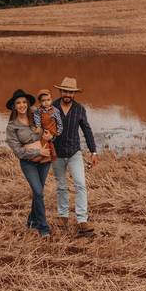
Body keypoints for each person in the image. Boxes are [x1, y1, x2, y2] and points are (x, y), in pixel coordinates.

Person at [52, 77, 98, 236]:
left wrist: (93, 151)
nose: (67, 94)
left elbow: (87, 130)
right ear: (60, 91)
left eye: (70, 92)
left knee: (80, 184)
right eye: (65, 91)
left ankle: (82, 220)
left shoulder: (80, 109)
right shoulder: (52, 107)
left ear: (74, 94)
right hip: (56, 154)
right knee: (61, 186)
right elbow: (42, 128)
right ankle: (63, 216)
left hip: (74, 153)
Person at [4, 89, 54, 238]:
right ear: (14, 106)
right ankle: (43, 228)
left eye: (24, 102)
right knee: (38, 192)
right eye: (18, 103)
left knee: (38, 193)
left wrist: (50, 136)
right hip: (28, 163)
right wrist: (38, 151)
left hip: (45, 161)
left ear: (28, 104)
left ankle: (31, 221)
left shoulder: (37, 116)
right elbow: (19, 152)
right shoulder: (12, 127)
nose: (22, 105)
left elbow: (50, 127)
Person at [30, 88, 63, 163]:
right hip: (44, 128)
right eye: (43, 101)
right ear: (40, 102)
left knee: (46, 140)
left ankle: (47, 157)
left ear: (51, 99)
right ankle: (51, 155)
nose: (46, 102)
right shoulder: (39, 110)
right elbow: (37, 118)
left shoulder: (55, 110)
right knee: (43, 141)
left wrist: (58, 131)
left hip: (52, 128)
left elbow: (59, 122)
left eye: (48, 100)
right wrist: (38, 126)